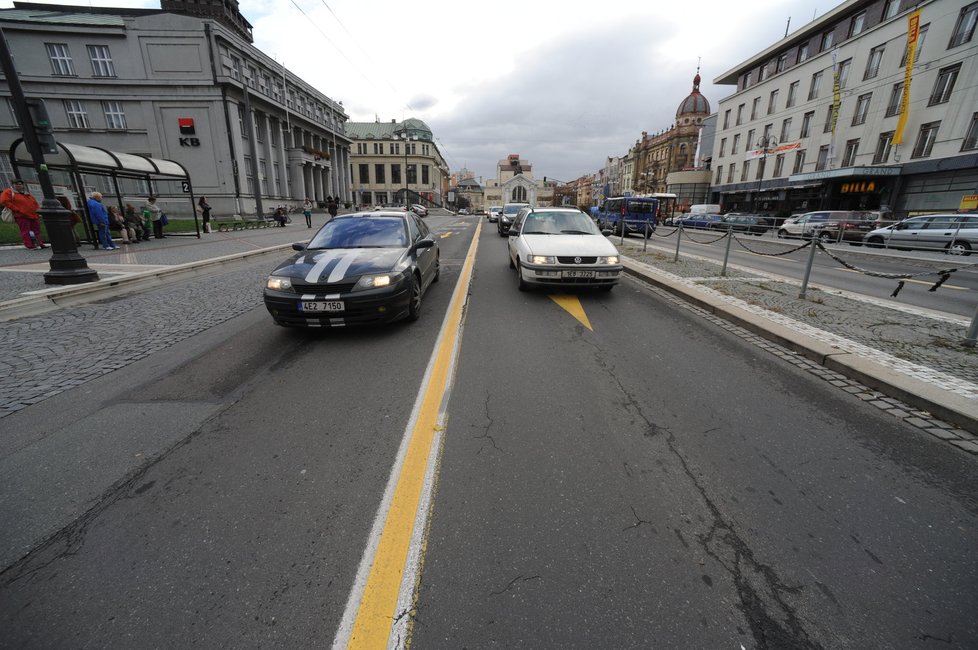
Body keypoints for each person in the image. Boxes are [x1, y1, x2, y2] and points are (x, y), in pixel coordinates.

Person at [1, 178, 47, 250]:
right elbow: (4, 201)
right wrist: (17, 209)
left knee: (36, 230)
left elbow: (34, 203)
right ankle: (29, 245)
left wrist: (38, 211)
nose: (19, 185)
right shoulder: (8, 192)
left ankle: (40, 243)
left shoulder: (26, 193)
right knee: (25, 230)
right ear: (13, 185)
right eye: (17, 184)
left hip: (33, 215)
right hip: (21, 215)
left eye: (20, 184)